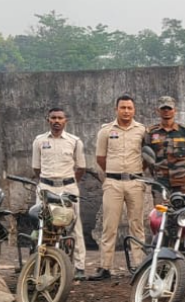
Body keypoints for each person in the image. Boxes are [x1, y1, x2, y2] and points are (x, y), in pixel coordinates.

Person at [90, 95, 148, 280]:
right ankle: (105, 267)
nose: (126, 111)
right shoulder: (106, 131)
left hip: (135, 182)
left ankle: (139, 265)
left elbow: (146, 157)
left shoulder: (141, 131)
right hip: (113, 183)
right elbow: (100, 158)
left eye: (129, 108)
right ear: (116, 109)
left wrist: (135, 172)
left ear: (134, 110)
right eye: (123, 107)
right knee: (109, 226)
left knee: (136, 225)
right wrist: (113, 173)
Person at [31, 107, 87, 281]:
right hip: (46, 188)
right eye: (53, 118)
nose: (56, 121)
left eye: (60, 118)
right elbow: (36, 168)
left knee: (74, 227)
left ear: (65, 121)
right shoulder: (39, 141)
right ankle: (40, 263)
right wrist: (48, 183)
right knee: (43, 226)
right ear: (48, 120)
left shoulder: (75, 141)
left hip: (68, 188)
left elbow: (81, 167)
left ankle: (79, 266)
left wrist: (69, 183)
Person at [144, 96, 185, 195]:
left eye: (169, 108)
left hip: (182, 182)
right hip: (160, 182)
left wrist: (181, 171)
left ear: (175, 110)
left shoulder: (184, 131)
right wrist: (157, 173)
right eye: (163, 109)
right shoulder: (151, 133)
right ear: (158, 111)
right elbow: (148, 158)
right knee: (161, 210)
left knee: (184, 209)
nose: (166, 111)